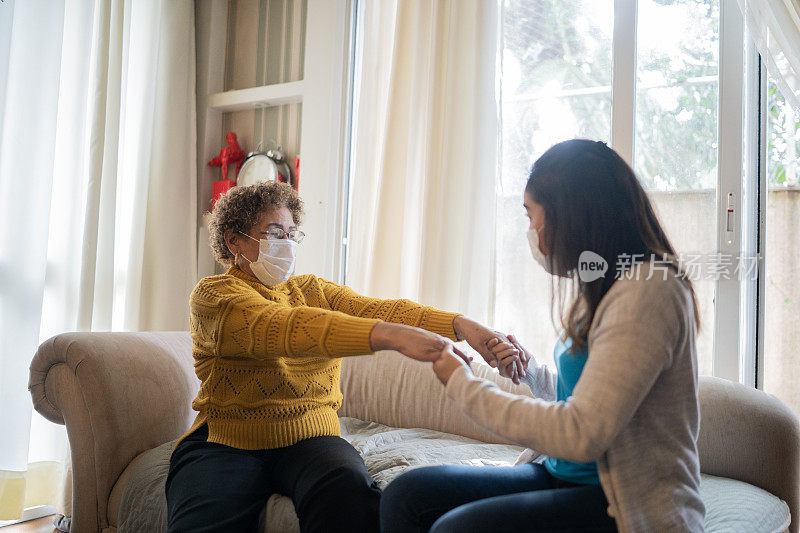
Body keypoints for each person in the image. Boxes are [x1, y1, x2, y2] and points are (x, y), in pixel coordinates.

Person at [380, 139, 706, 533]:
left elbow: (582, 432)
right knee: (407, 494)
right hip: (563, 476)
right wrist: (530, 372)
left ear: (570, 216)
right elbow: (585, 396)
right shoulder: (602, 285)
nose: (531, 230)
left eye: (531, 215)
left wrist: (462, 384)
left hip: (620, 502)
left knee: (455, 529)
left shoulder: (650, 292)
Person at [164, 181, 520, 533]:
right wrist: (390, 337)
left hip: (312, 438)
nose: (285, 244)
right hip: (226, 442)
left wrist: (462, 325)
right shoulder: (214, 295)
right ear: (234, 240)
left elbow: (380, 309)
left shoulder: (312, 290)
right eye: (274, 232)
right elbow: (284, 327)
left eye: (291, 234)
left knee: (351, 501)